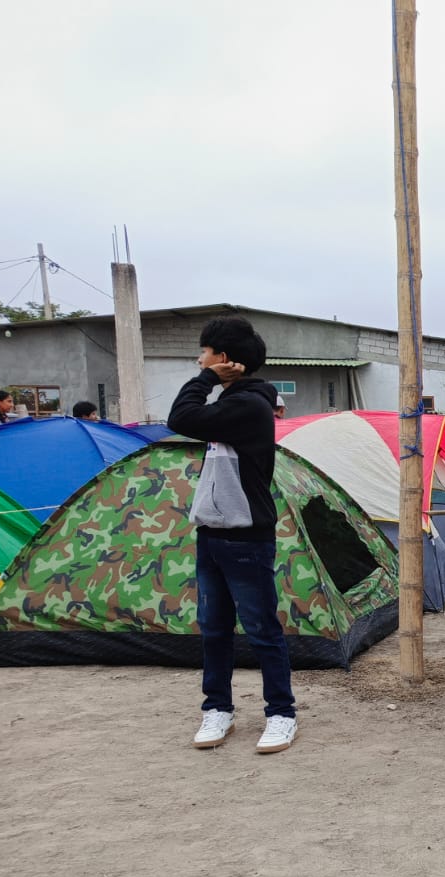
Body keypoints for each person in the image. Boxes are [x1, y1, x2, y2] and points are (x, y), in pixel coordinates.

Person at [165, 316, 297, 754]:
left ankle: (281, 714)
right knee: (214, 629)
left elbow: (179, 417)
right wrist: (212, 380)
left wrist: (206, 379)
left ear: (222, 358)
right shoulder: (234, 403)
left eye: (203, 354)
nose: (199, 361)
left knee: (261, 630)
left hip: (246, 537)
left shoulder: (248, 406)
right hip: (212, 533)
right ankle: (217, 709)